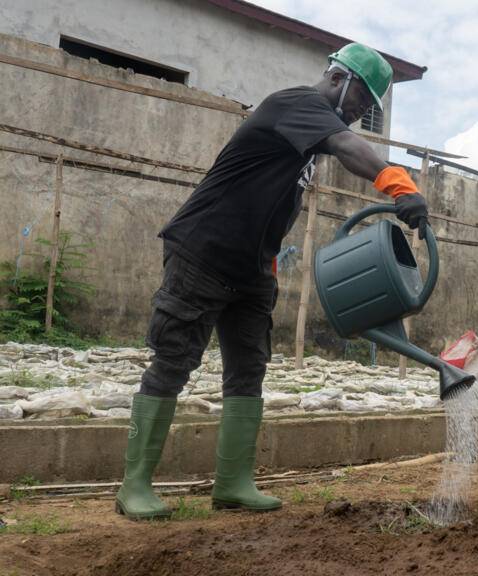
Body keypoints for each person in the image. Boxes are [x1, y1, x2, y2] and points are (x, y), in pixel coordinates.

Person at [115, 43, 429, 519]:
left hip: (252, 271)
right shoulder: (295, 104)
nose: (364, 113)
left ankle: (234, 482)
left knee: (249, 370)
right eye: (364, 100)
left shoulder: (310, 136)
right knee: (174, 361)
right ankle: (134, 485)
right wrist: (399, 184)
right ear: (339, 79)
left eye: (371, 108)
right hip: (202, 254)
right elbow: (349, 148)